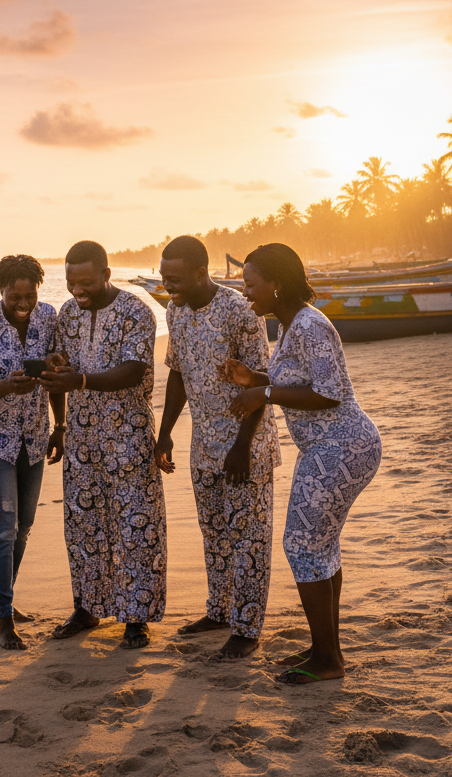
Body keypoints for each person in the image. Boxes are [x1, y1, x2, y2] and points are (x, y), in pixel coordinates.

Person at [225, 243, 382, 685]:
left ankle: (328, 659)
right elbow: (298, 382)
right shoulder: (291, 322)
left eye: (250, 284)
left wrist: (263, 393)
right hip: (331, 448)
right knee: (320, 546)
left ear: (276, 284)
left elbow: (329, 394)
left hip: (341, 446)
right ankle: (324, 648)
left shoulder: (310, 325)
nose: (245, 293)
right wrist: (255, 379)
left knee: (302, 545)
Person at [153, 235, 281, 660]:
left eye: (174, 278)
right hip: (203, 443)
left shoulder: (240, 311)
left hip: (247, 444)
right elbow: (177, 373)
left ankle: (247, 628)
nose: (167, 285)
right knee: (214, 534)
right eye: (163, 277)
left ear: (200, 272)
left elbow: (262, 382)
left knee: (249, 538)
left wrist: (242, 445)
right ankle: (220, 612)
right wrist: (166, 431)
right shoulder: (175, 311)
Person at [40, 240, 165, 650]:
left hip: (128, 433)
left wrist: (80, 380)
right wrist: (60, 424)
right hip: (81, 437)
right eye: (71, 282)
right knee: (83, 525)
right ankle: (87, 607)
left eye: (86, 282)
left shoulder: (136, 312)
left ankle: (135, 616)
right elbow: (59, 372)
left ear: (107, 275)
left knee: (135, 525)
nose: (78, 290)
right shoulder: (67, 314)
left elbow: (133, 371)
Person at [0, 254, 66, 650]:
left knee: (24, 526)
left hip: (34, 436)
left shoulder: (49, 317)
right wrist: (8, 385)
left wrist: (60, 426)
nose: (23, 305)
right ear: (0, 291)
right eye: (14, 297)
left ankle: (0, 598)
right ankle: (4, 620)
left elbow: (55, 377)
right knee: (3, 526)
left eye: (30, 296)